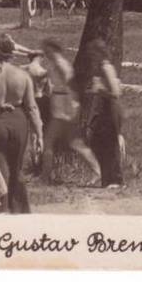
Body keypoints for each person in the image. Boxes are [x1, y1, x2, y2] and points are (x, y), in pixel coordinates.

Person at [0, 32, 44, 213]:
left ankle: (1, 209)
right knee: (17, 167)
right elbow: (32, 107)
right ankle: (20, 209)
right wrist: (39, 133)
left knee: (0, 167)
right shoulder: (23, 74)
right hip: (20, 121)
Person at [40, 39, 102, 186]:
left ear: (55, 50)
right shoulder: (55, 65)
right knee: (74, 143)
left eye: (48, 51)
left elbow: (71, 87)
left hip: (66, 108)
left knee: (59, 142)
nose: (46, 54)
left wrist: (71, 110)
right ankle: (96, 171)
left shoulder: (62, 65)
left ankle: (45, 177)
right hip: (60, 106)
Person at [81, 39, 126, 188]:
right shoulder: (100, 68)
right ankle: (107, 178)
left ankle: (116, 179)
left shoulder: (106, 67)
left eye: (93, 54)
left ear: (99, 53)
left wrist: (99, 90)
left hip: (112, 106)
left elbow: (115, 92)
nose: (91, 57)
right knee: (97, 140)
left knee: (109, 141)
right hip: (106, 106)